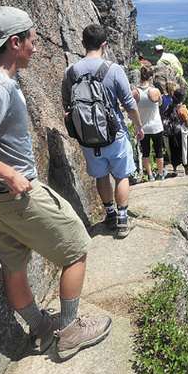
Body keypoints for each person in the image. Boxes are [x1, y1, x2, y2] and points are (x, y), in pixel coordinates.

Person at [0, 6, 111, 360]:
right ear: (15, 43)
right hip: (18, 198)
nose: (36, 47)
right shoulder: (0, 87)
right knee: (77, 249)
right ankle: (69, 331)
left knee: (14, 267)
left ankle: (41, 327)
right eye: (33, 39)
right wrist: (7, 171)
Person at [61, 24, 144, 237]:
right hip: (114, 134)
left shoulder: (70, 72)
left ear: (82, 44)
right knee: (121, 175)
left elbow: (67, 104)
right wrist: (138, 126)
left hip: (87, 138)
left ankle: (109, 215)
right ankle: (123, 220)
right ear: (104, 45)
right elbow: (129, 103)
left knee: (101, 175)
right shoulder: (113, 69)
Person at [132, 65, 166, 182]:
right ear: (151, 78)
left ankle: (150, 175)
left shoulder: (135, 93)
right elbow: (160, 104)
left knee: (145, 152)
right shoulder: (155, 91)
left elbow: (130, 107)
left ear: (140, 78)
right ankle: (161, 174)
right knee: (158, 151)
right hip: (156, 126)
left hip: (143, 128)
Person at [166, 88, 188, 176]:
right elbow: (187, 123)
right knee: (185, 151)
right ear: (182, 98)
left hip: (171, 132)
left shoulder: (169, 107)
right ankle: (187, 171)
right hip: (181, 132)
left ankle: (174, 169)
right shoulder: (182, 109)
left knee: (174, 150)